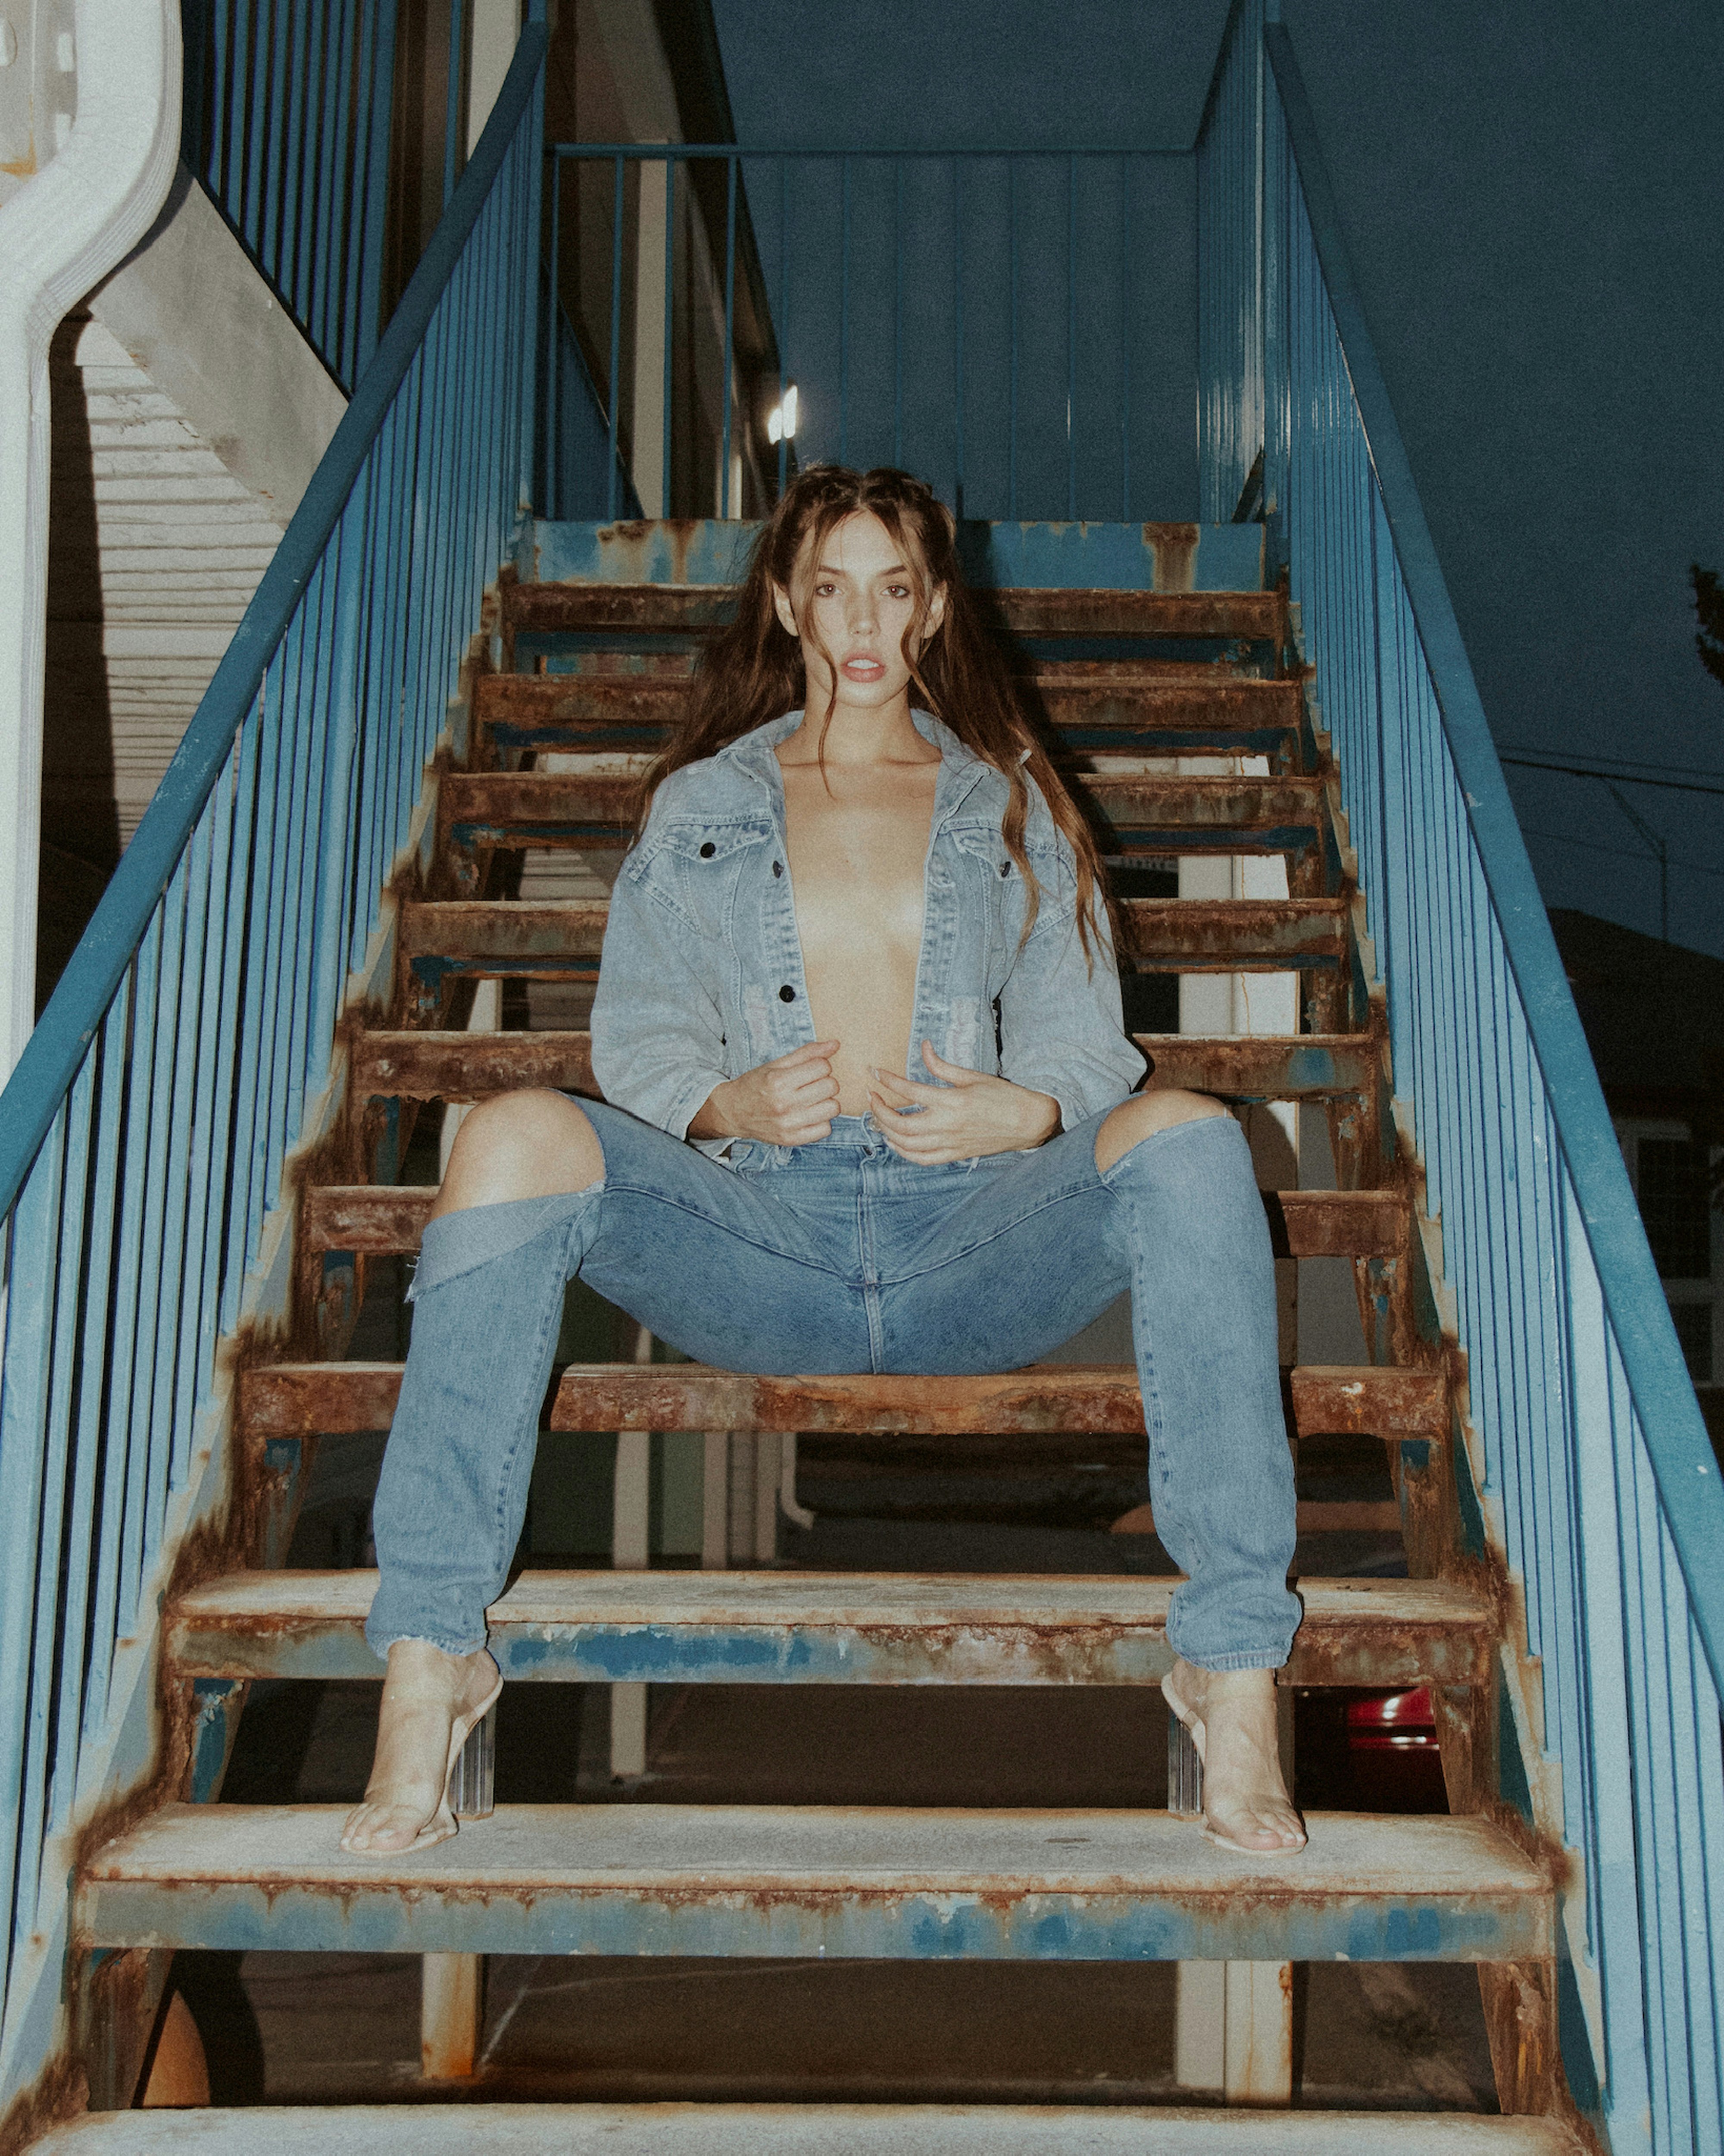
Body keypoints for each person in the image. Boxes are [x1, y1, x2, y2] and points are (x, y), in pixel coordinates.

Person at [341, 465, 1305, 1859]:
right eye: (834, 585)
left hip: (970, 1237)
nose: (864, 620)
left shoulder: (1009, 800)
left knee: (1197, 1138)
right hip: (763, 1237)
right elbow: (637, 1034)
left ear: (931, 609)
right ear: (788, 599)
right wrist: (722, 1098)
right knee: (507, 1130)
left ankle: (1230, 1673)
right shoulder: (700, 806)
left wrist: (1027, 1117)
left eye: (895, 586)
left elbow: (1091, 1049)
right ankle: (433, 1659)